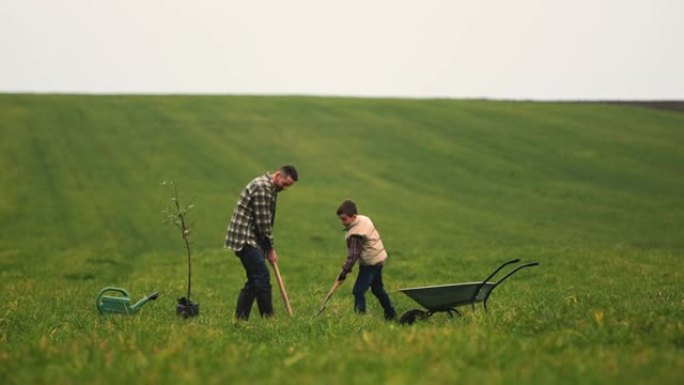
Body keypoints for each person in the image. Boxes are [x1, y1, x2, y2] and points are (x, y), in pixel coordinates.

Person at [225, 165, 298, 320]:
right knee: (262, 276)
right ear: (278, 175)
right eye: (285, 184)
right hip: (244, 238)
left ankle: (240, 318)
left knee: (254, 279)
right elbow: (263, 223)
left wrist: (265, 247)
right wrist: (270, 249)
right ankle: (269, 318)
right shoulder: (262, 188)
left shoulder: (270, 188)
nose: (285, 188)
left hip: (252, 238)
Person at [335, 200, 396, 320]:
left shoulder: (355, 233)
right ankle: (391, 313)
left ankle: (360, 319)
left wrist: (344, 273)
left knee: (358, 291)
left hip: (370, 263)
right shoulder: (364, 219)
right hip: (379, 258)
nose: (342, 222)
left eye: (344, 219)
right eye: (340, 219)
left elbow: (353, 256)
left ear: (353, 217)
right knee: (378, 289)